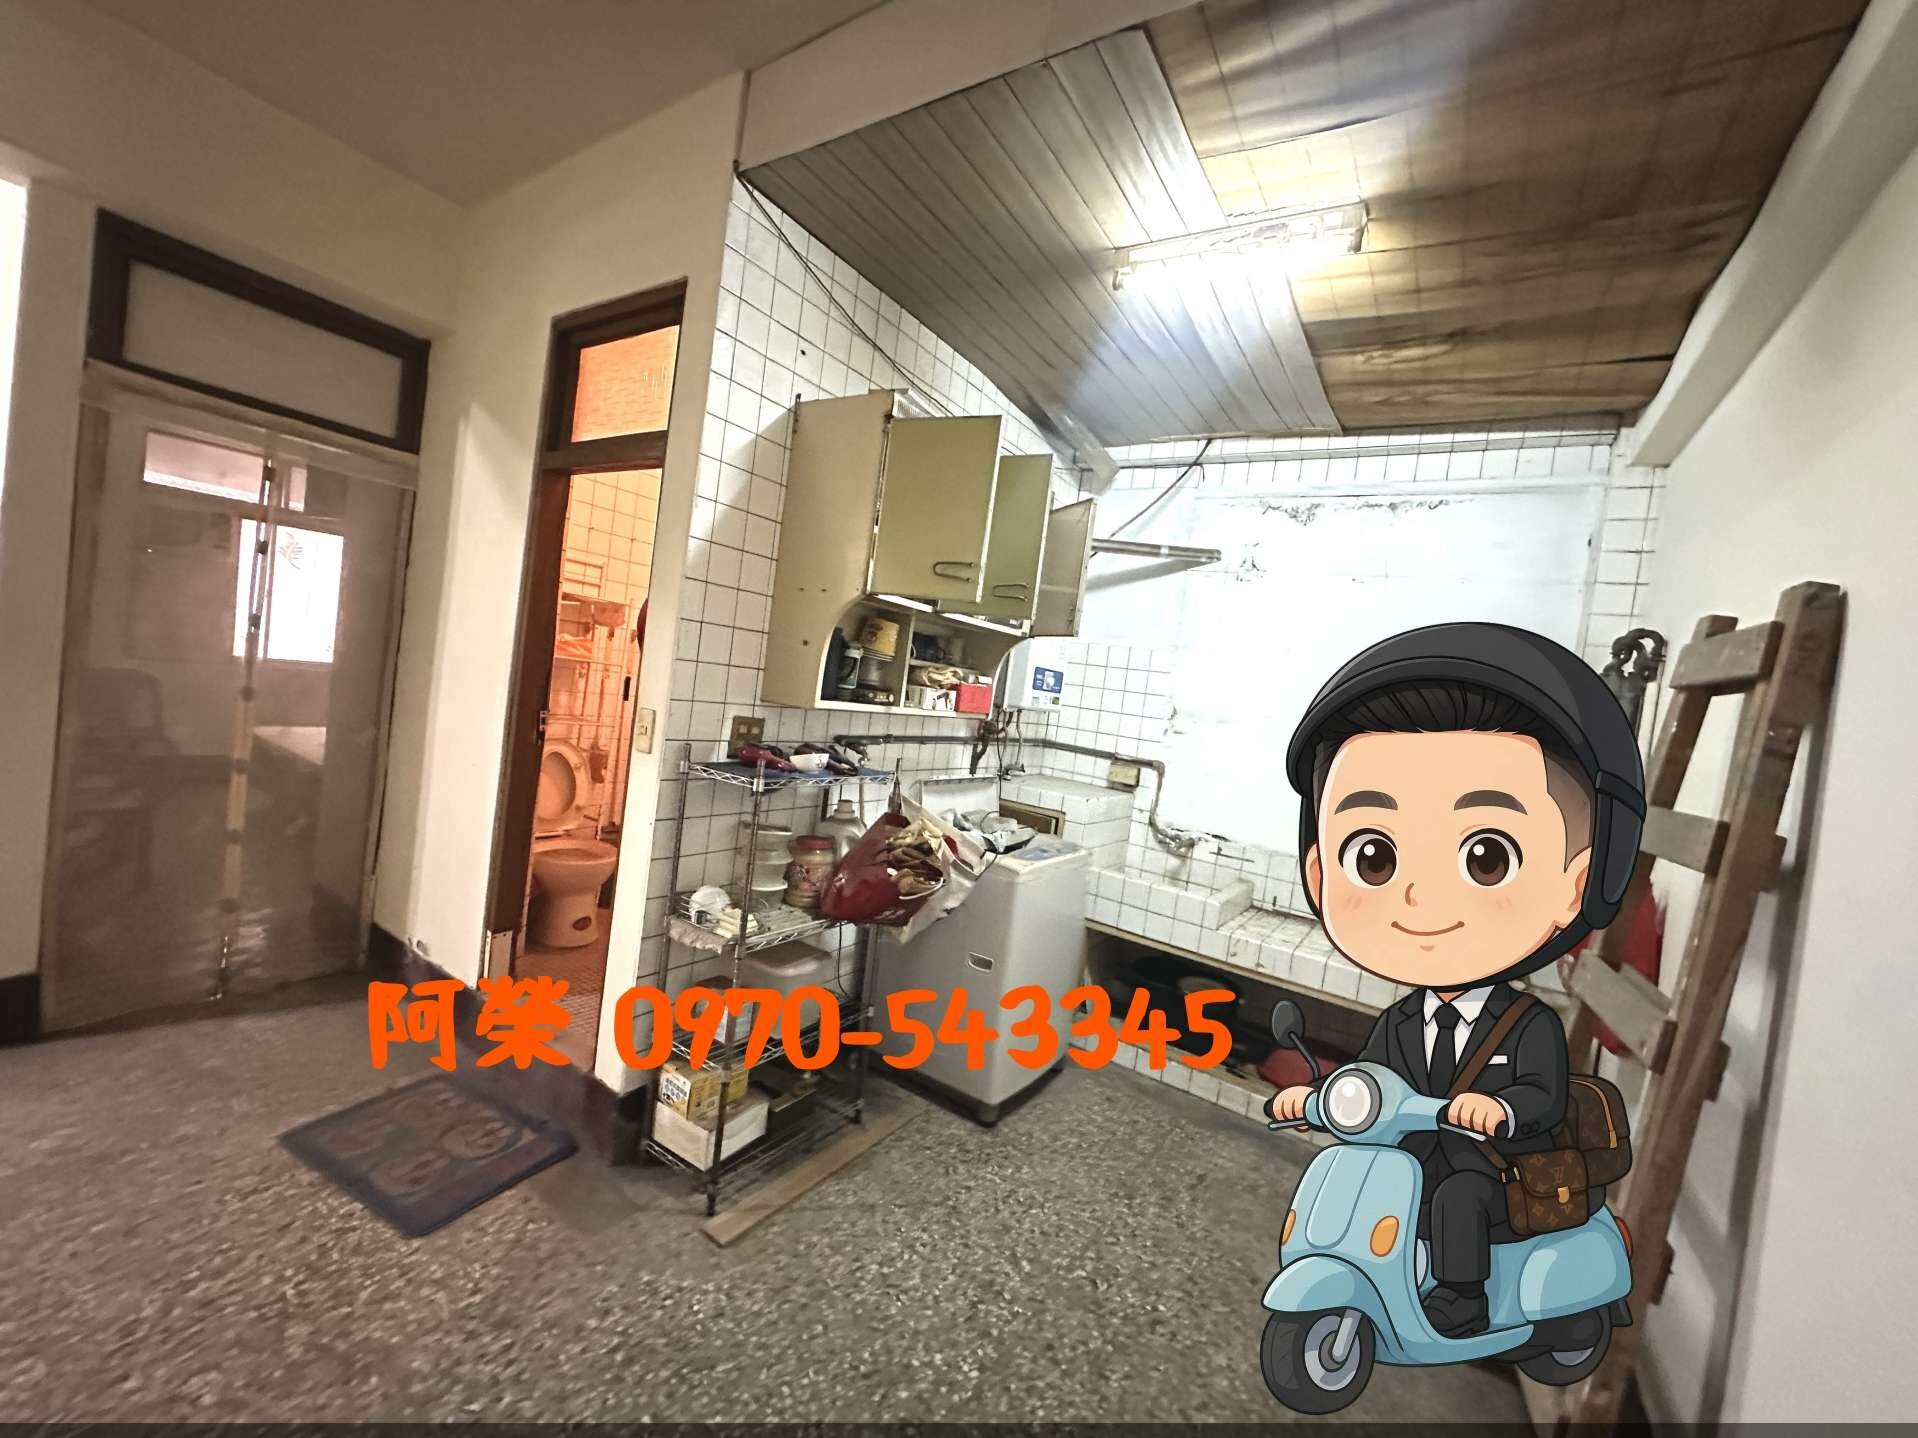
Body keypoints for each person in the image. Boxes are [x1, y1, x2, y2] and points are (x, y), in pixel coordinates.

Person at [1268, 623, 1645, 1338]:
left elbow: (1542, 1096)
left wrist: (1496, 1110)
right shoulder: (1403, 1021)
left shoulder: (1527, 1024)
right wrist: (1317, 1098)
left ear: (1577, 884)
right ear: (1319, 872)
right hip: (1414, 1158)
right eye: (1375, 857)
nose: (1419, 899)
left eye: (1487, 858)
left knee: (1457, 1197)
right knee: (1390, 1188)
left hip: (1497, 1167)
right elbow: (1373, 1080)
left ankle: (1462, 1299)